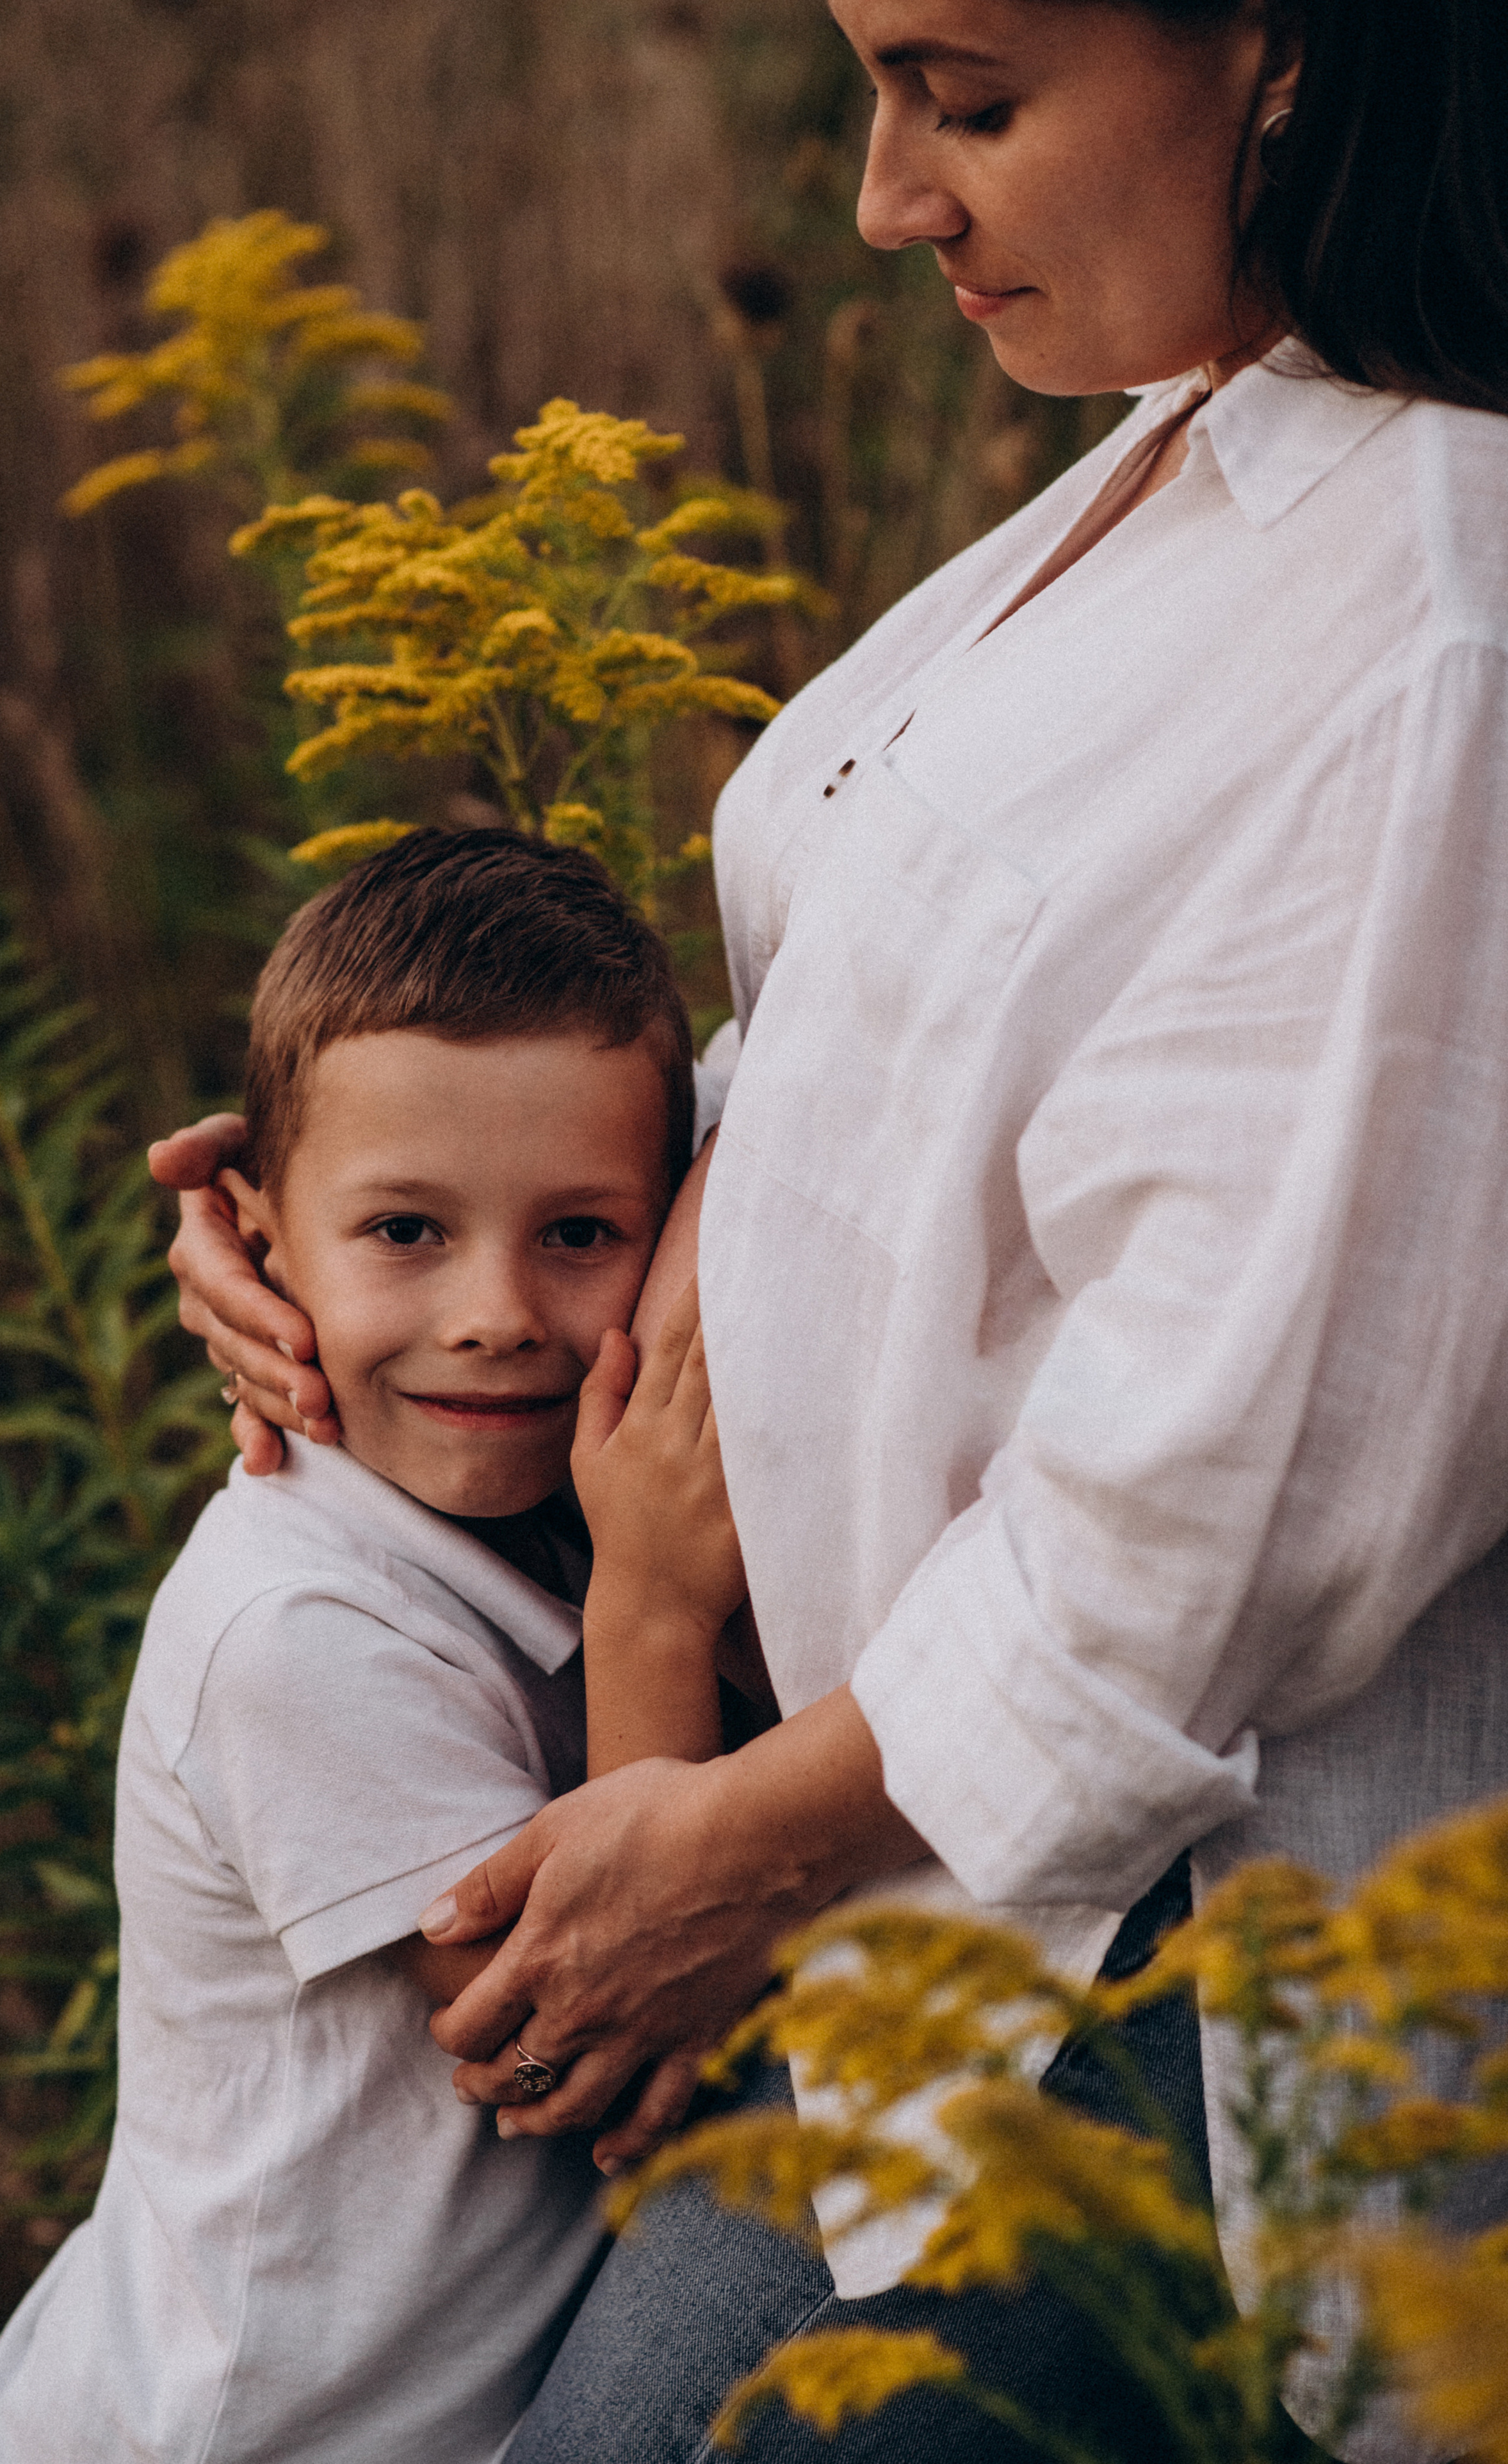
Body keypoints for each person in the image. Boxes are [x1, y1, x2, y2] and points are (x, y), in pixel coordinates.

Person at [155, 0, 1508, 2453]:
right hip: (898, 1874)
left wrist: (731, 1844)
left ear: (1288, 56)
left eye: (968, 99)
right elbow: (888, 1090)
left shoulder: (1440, 633)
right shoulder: (1198, 455)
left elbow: (1221, 1495)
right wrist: (368, 1216)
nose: (887, 199)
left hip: (1118, 1961)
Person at [0, 828, 749, 2464]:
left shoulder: (510, 1517)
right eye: (404, 1233)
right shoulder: (297, 1629)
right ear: (252, 1239)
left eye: (581, 1234)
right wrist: (655, 1604)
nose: (496, 1311)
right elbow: (578, 2041)